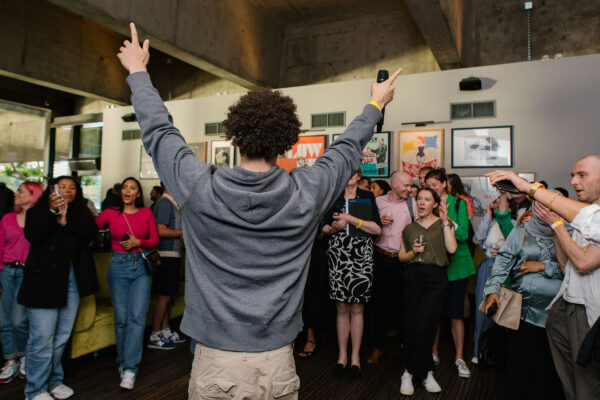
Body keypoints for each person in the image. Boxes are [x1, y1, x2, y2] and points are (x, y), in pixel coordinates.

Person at [117, 22, 401, 399]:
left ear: (235, 136)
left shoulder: (199, 186)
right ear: (285, 142)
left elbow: (160, 133)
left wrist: (139, 73)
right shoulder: (307, 191)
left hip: (215, 360)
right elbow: (346, 148)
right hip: (277, 361)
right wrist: (375, 104)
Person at [487, 157, 600, 400]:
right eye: (573, 174)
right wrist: (493, 289)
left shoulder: (580, 223)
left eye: (582, 175)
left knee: (580, 385)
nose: (574, 181)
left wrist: (556, 224)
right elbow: (566, 266)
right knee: (563, 380)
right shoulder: (531, 229)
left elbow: (582, 262)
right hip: (544, 310)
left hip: (584, 315)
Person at [19, 176, 99, 400]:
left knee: (62, 337)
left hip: (71, 281)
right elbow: (34, 235)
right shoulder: (38, 211)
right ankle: (35, 389)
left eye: (72, 187)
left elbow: (91, 234)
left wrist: (66, 223)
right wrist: (53, 214)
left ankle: (54, 380)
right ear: (52, 190)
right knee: (41, 338)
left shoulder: (81, 213)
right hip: (43, 282)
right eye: (63, 187)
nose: (68, 191)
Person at [483, 202, 566, 400]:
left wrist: (543, 266)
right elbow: (502, 261)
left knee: (552, 368)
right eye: (540, 206)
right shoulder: (522, 231)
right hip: (525, 311)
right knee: (522, 365)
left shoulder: (568, 231)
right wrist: (493, 289)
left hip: (558, 313)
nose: (544, 211)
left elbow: (576, 266)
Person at [95, 177, 158, 390]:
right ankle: (122, 362)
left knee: (137, 319)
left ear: (138, 194)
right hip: (118, 265)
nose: (128, 191)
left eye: (132, 188)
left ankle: (131, 368)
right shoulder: (110, 213)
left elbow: (155, 240)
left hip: (141, 266)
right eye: (125, 187)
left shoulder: (146, 213)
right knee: (121, 319)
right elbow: (89, 229)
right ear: (120, 192)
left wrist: (139, 242)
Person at [397, 187, 457, 395]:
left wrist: (446, 219)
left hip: (436, 278)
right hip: (414, 276)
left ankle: (425, 372)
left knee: (427, 325)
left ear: (435, 204)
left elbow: (451, 249)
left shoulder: (443, 224)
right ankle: (408, 372)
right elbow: (401, 257)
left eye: (427, 199)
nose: (421, 202)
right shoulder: (410, 228)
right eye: (419, 199)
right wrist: (413, 251)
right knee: (411, 326)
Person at [323, 172, 382, 379]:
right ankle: (342, 356)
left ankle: (355, 357)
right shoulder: (333, 196)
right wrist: (332, 227)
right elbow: (323, 226)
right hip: (339, 254)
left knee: (357, 307)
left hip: (361, 254)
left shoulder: (367, 197)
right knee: (341, 306)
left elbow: (376, 228)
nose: (348, 176)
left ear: (358, 177)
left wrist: (350, 219)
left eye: (353, 172)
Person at [426, 168, 475, 378]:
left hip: (457, 266)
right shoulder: (428, 204)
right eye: (428, 186)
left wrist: (446, 219)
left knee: (456, 314)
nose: (431, 189)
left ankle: (459, 357)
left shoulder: (458, 203)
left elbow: (463, 234)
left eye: (434, 185)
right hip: (436, 265)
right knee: (434, 313)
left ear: (444, 183)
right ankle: (433, 352)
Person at [367, 171, 415, 365]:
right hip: (380, 258)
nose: (409, 189)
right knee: (379, 306)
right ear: (394, 184)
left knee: (404, 306)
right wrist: (378, 222)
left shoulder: (413, 204)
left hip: (404, 261)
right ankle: (378, 347)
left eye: (411, 186)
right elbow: (364, 228)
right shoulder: (377, 203)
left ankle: (406, 349)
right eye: (406, 186)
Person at [0, 181, 43, 384]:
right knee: (3, 321)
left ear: (33, 196)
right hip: (6, 271)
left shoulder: (39, 220)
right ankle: (11, 359)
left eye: (20, 191)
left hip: (26, 273)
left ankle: (25, 355)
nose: (15, 194)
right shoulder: (7, 218)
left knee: (19, 320)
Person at [471, 192, 517, 364]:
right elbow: (477, 239)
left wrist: (505, 249)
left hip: (505, 268)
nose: (497, 206)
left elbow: (517, 246)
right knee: (481, 308)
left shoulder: (513, 224)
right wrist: (487, 215)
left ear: (509, 208)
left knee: (503, 309)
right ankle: (478, 351)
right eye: (495, 203)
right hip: (487, 265)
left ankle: (498, 353)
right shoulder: (489, 222)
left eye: (501, 204)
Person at [148, 182, 185, 350]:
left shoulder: (172, 202)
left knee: (169, 295)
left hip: (173, 254)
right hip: (165, 255)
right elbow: (160, 230)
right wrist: (183, 233)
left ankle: (165, 328)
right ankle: (155, 333)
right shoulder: (164, 203)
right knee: (164, 295)